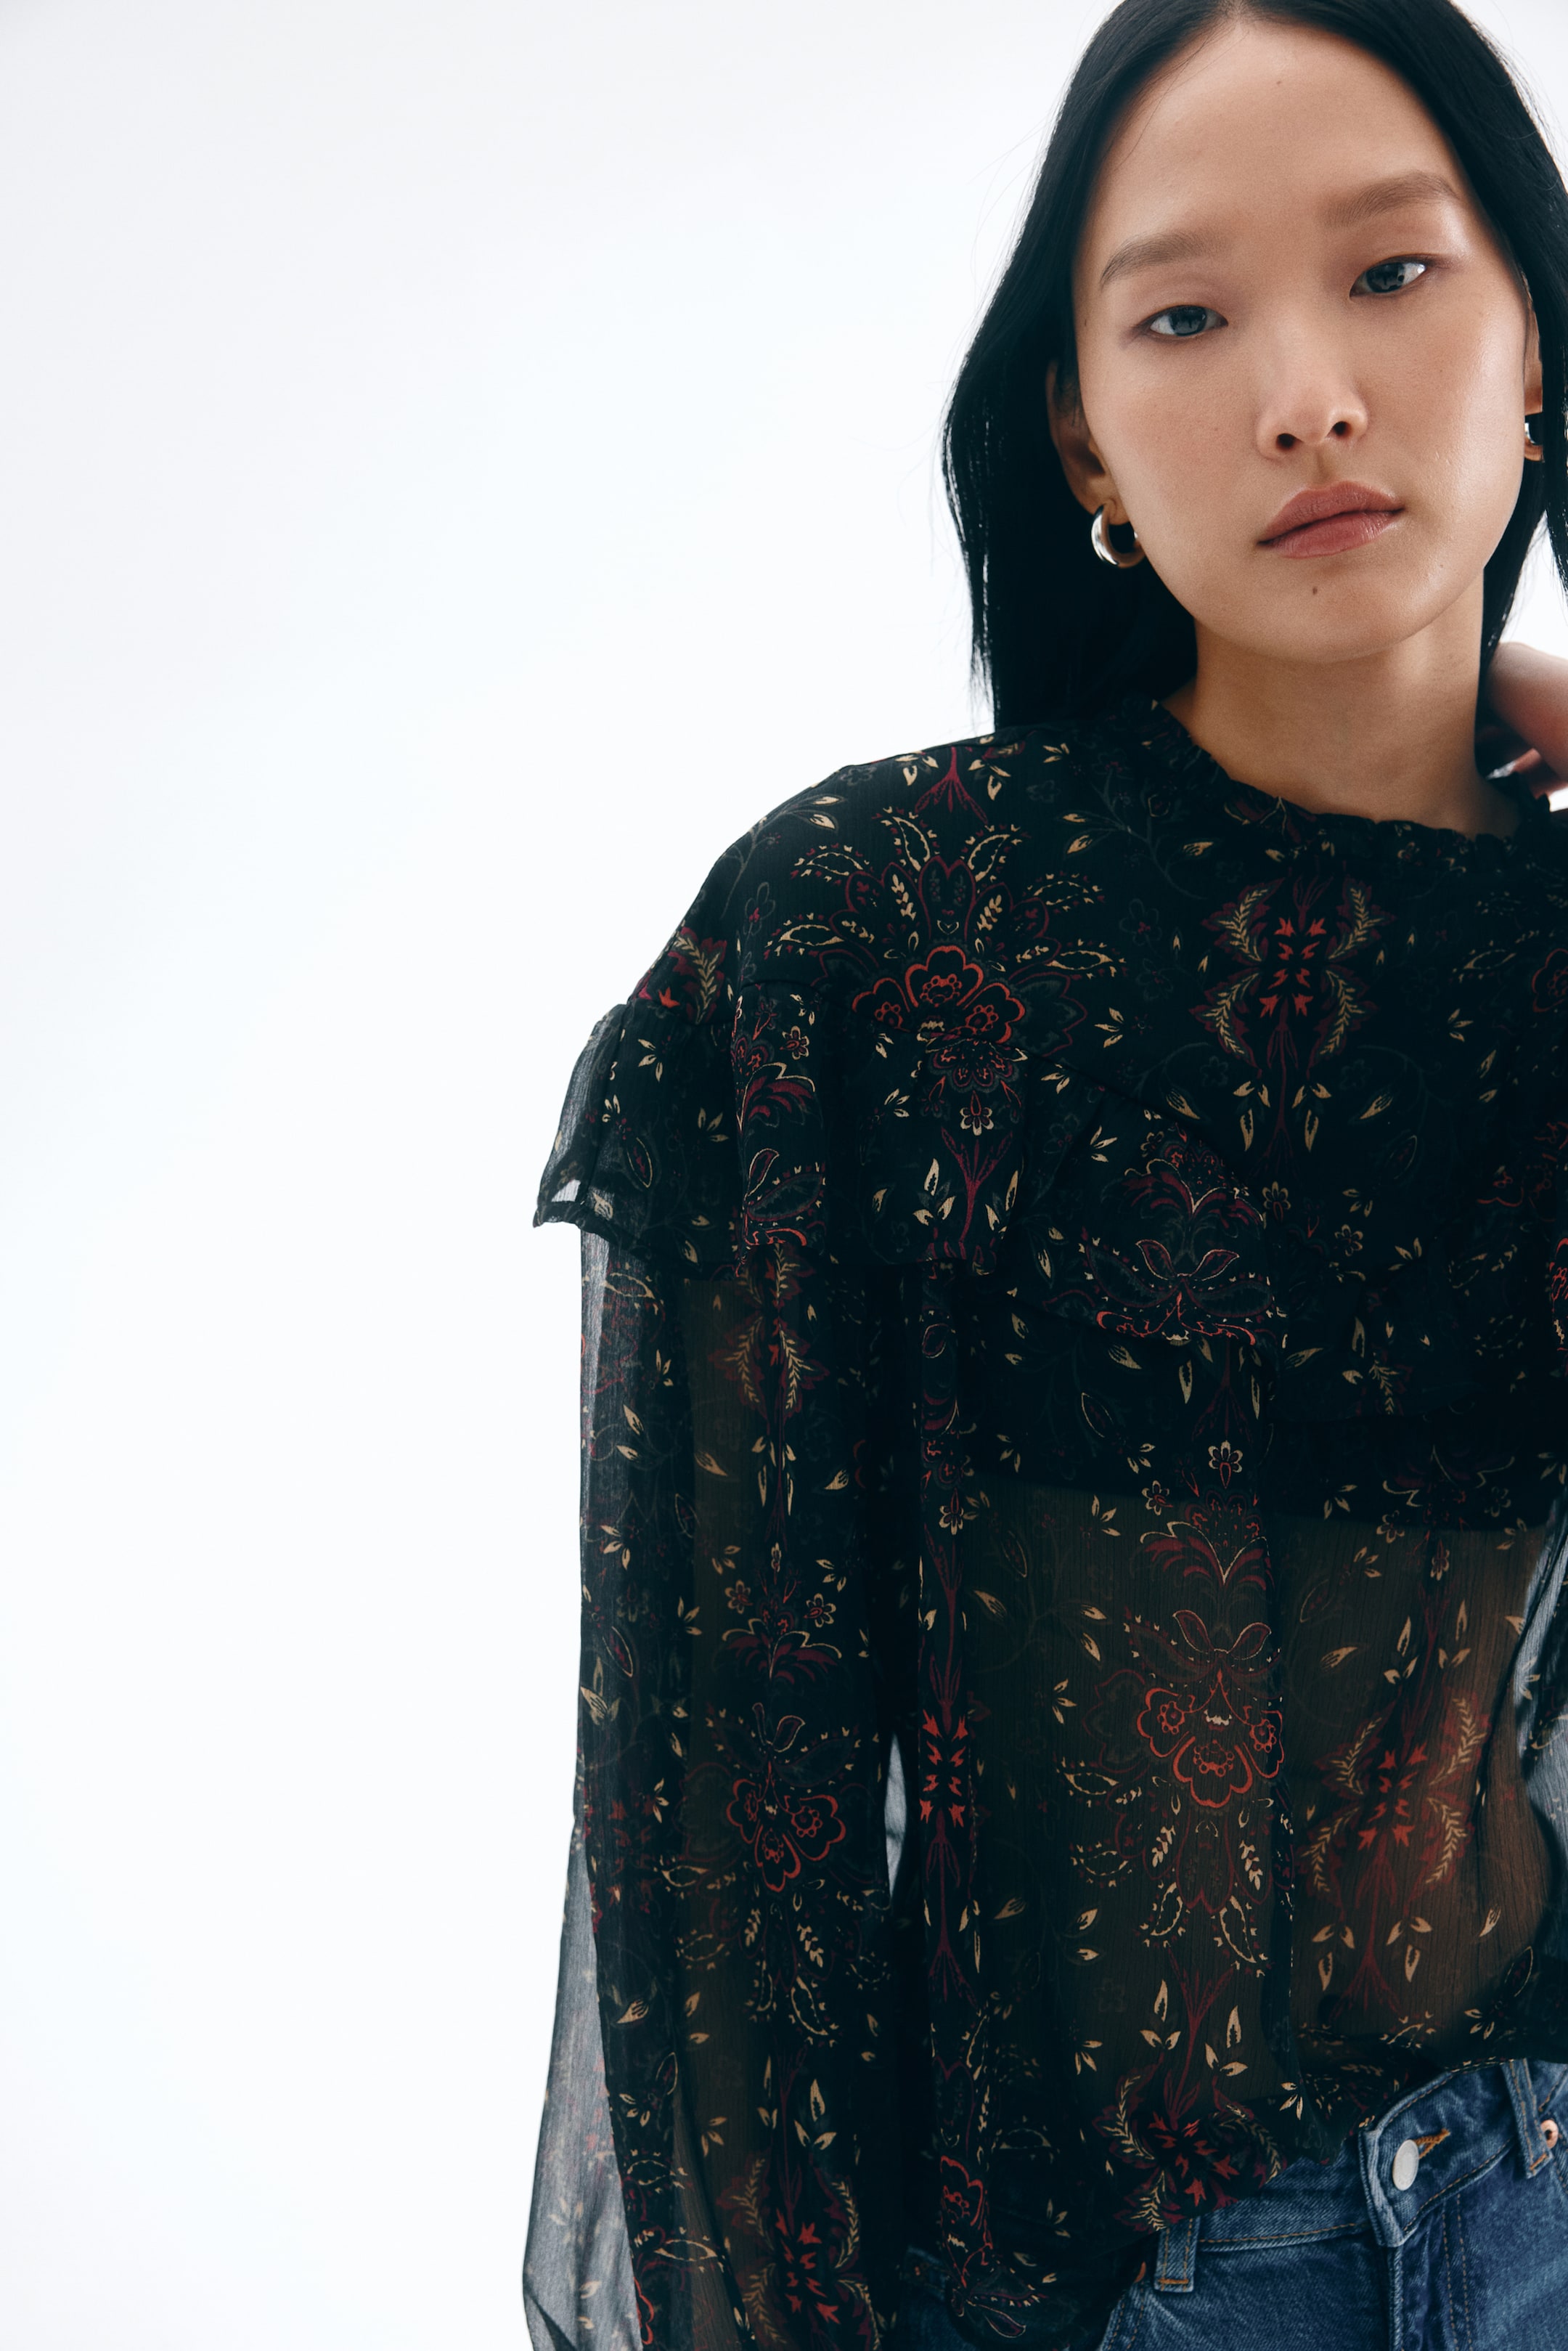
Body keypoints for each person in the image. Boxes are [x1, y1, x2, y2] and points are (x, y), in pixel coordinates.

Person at [522, 3, 1568, 2344]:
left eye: (1396, 273)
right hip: (1086, 2285)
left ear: (1540, 347)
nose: (1308, 394)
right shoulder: (876, 941)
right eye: (1187, 317)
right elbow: (724, 1832)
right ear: (1082, 434)